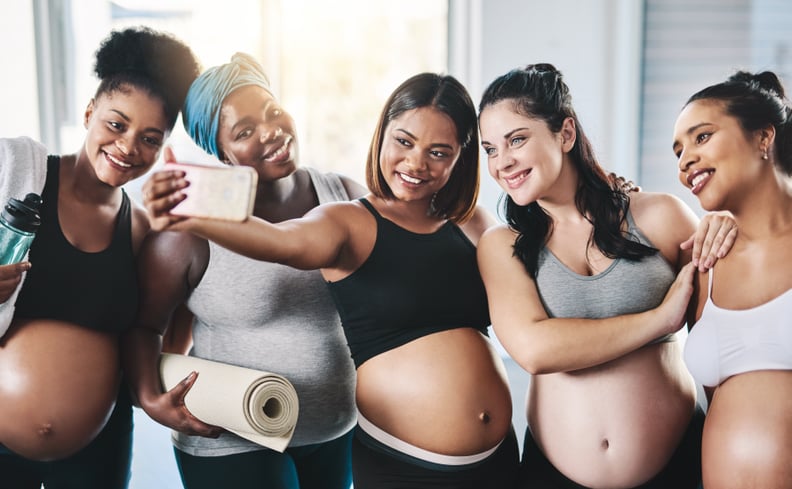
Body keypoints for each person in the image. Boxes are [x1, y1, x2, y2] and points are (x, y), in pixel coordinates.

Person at [142, 72, 520, 489]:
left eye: (439, 151)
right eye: (405, 142)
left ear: (461, 156)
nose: (416, 163)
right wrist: (191, 213)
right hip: (255, 437)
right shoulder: (347, 218)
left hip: (359, 436)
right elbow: (280, 241)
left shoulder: (463, 222)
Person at [476, 63, 733, 489]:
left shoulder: (661, 215)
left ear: (565, 133)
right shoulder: (502, 245)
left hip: (678, 466)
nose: (503, 162)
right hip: (552, 475)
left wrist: (728, 220)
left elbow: (721, 351)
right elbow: (535, 349)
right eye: (490, 149)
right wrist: (658, 320)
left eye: (516, 140)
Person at [122, 52, 365, 489]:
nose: (271, 131)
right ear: (222, 151)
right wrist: (148, 397)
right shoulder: (190, 228)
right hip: (233, 436)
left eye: (273, 111)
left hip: (336, 430)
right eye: (245, 131)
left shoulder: (343, 194)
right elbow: (144, 325)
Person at [0, 27, 200, 488]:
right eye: (117, 124)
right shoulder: (17, 174)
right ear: (90, 112)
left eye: (151, 138)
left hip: (99, 450)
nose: (129, 147)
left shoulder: (142, 229)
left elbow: (160, 332)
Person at [673, 70, 792, 489]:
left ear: (763, 138)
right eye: (678, 151)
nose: (685, 160)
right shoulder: (708, 263)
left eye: (701, 137)